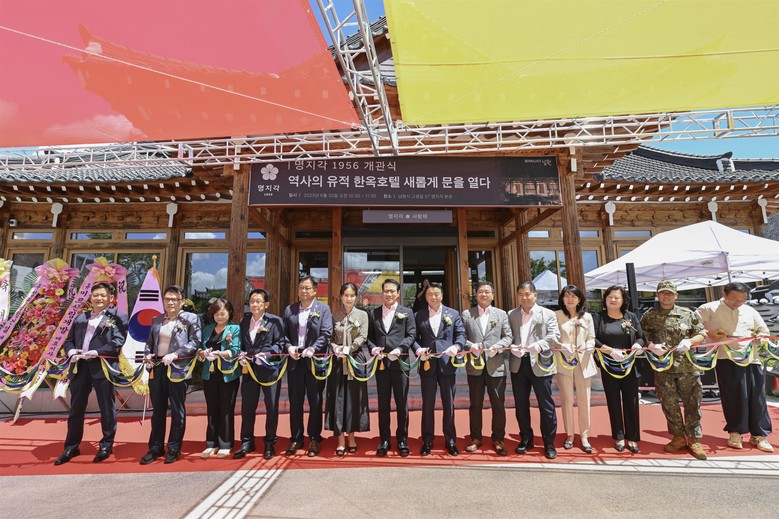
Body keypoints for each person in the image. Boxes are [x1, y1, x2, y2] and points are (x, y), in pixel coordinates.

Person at [54, 283, 129, 465]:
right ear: (91, 297)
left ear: (111, 298)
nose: (99, 298)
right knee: (76, 408)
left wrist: (98, 352)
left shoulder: (118, 317)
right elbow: (69, 341)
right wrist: (71, 351)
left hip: (102, 366)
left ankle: (106, 445)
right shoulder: (80, 317)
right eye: (96, 295)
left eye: (103, 295)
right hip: (80, 367)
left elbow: (118, 341)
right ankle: (71, 446)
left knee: (107, 407)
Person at [695, 282, 773, 452]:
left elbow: (764, 330)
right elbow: (693, 327)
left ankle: (759, 435)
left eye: (742, 299)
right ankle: (735, 433)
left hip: (751, 358)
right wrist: (709, 333)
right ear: (724, 294)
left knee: (758, 398)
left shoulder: (750, 311)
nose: (738, 302)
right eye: (734, 298)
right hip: (726, 358)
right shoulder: (708, 308)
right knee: (734, 396)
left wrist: (760, 336)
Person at [640, 280, 707, 460]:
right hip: (663, 367)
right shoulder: (649, 315)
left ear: (676, 295)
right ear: (657, 295)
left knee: (693, 403)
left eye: (670, 293)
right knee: (669, 404)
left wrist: (690, 342)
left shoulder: (687, 313)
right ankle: (678, 438)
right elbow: (642, 334)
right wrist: (651, 345)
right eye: (663, 293)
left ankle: (694, 439)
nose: (666, 296)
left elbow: (701, 333)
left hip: (686, 366)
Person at [141, 285, 202, 465]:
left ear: (182, 301)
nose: (170, 302)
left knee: (177, 409)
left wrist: (176, 354)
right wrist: (148, 355)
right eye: (167, 299)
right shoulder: (157, 319)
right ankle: (155, 447)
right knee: (158, 409)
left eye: (174, 299)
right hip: (158, 366)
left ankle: (174, 447)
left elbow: (195, 341)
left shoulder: (191, 318)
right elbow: (149, 342)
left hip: (177, 367)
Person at [508, 281, 561, 459]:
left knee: (546, 405)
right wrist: (512, 346)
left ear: (535, 295)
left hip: (540, 362)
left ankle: (549, 442)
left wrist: (539, 345)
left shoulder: (548, 314)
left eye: (527, 294)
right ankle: (526, 438)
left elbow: (554, 335)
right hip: (518, 363)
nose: (524, 297)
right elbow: (508, 336)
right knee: (521, 404)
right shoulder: (511, 314)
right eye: (520, 294)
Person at [412, 282, 466, 456]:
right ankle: (427, 440)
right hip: (428, 364)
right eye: (430, 294)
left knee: (448, 404)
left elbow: (461, 334)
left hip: (447, 364)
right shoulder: (418, 315)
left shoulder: (453, 314)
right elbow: (413, 338)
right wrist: (418, 350)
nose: (433, 297)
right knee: (427, 405)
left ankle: (450, 440)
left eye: (436, 294)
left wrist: (457, 346)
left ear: (442, 295)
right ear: (425, 297)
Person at [282, 276, 333, 457]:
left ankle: (314, 437)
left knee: (315, 401)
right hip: (295, 361)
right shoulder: (290, 310)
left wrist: (313, 348)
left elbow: (326, 333)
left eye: (307, 288)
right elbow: (283, 334)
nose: (304, 291)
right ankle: (296, 438)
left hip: (314, 361)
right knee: (295, 401)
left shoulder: (323, 309)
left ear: (314, 291)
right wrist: (289, 347)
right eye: (301, 287)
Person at [461, 281, 513, 456]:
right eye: (480, 292)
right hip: (475, 366)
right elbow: (461, 337)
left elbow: (508, 336)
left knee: (498, 404)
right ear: (475, 295)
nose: (484, 294)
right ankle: (476, 438)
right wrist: (471, 346)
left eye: (487, 292)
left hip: (495, 365)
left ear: (493, 295)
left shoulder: (502, 314)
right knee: (475, 404)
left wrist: (498, 347)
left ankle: (498, 438)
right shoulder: (467, 314)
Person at [592, 285, 644, 454]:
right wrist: (609, 351)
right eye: (610, 297)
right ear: (605, 299)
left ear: (623, 300)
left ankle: (633, 437)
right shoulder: (598, 317)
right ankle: (619, 436)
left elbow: (641, 337)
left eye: (617, 297)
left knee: (632, 401)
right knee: (613, 401)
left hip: (629, 365)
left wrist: (638, 345)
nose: (613, 300)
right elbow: (592, 339)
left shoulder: (631, 317)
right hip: (609, 364)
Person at [235, 288, 286, 460]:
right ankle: (247, 441)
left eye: (258, 301)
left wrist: (268, 354)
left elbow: (280, 343)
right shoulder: (244, 321)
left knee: (271, 407)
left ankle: (270, 442)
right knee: (247, 407)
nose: (254, 305)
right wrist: (241, 354)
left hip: (269, 370)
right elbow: (241, 343)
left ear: (266, 304)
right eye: (252, 301)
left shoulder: (275, 321)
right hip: (249, 370)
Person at [367, 279, 416, 457]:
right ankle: (384, 440)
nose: (389, 294)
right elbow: (370, 337)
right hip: (382, 365)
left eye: (392, 291)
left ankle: (402, 439)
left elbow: (411, 335)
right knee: (383, 404)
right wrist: (373, 349)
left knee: (402, 403)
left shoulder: (407, 312)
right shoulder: (373, 313)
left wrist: (400, 348)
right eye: (386, 291)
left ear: (398, 293)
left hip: (400, 364)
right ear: (382, 293)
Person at [325, 282, 370, 456]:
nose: (349, 298)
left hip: (355, 359)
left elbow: (363, 336)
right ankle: (340, 439)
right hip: (338, 361)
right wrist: (336, 348)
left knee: (353, 399)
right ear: (341, 297)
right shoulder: (334, 315)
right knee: (338, 399)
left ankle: (351, 436)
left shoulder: (363, 315)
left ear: (356, 297)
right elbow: (329, 337)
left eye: (352, 295)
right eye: (346, 295)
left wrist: (349, 348)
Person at [554, 285, 596, 454]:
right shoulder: (556, 315)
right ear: (562, 299)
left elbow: (592, 337)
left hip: (583, 362)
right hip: (564, 362)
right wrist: (561, 346)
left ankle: (584, 435)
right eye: (567, 296)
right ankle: (570, 434)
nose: (570, 299)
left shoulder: (587, 317)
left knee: (584, 400)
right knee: (567, 400)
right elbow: (552, 338)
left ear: (579, 299)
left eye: (573, 296)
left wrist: (589, 345)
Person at [197, 298, 241, 459]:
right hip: (209, 374)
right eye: (216, 314)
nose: (219, 317)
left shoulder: (235, 328)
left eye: (222, 313)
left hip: (228, 374)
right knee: (212, 408)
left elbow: (236, 349)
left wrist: (219, 354)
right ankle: (211, 443)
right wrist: (203, 354)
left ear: (229, 313)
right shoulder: (208, 329)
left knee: (226, 408)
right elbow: (200, 349)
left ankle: (225, 443)